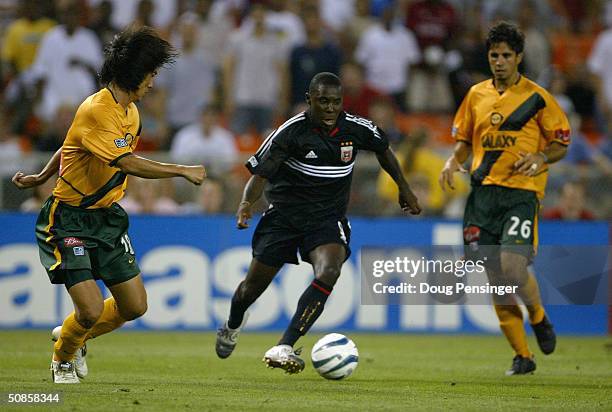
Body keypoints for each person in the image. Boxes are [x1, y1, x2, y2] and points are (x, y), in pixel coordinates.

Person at [11, 26, 206, 384]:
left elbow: (72, 146)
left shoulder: (129, 111)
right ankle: (63, 357)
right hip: (69, 220)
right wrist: (181, 170)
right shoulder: (98, 109)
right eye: (151, 73)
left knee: (134, 307)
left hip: (107, 217)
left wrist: (41, 176)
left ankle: (73, 334)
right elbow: (126, 162)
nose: (153, 81)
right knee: (88, 309)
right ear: (134, 73)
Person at [215, 72, 421, 374]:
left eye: (336, 102)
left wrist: (404, 187)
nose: (329, 108)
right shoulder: (290, 132)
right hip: (284, 216)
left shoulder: (356, 128)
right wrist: (246, 203)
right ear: (310, 99)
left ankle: (284, 345)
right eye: (323, 101)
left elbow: (383, 150)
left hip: (327, 218)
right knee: (250, 289)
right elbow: (260, 175)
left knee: (330, 270)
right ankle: (232, 325)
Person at [439, 21, 570, 375]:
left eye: (506, 56)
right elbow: (465, 139)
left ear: (519, 57)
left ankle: (540, 318)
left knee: (512, 269)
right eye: (494, 55)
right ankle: (523, 356)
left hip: (521, 194)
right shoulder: (476, 95)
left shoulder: (538, 98)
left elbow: (560, 143)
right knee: (495, 277)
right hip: (482, 196)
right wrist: (454, 160)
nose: (499, 61)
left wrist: (542, 157)